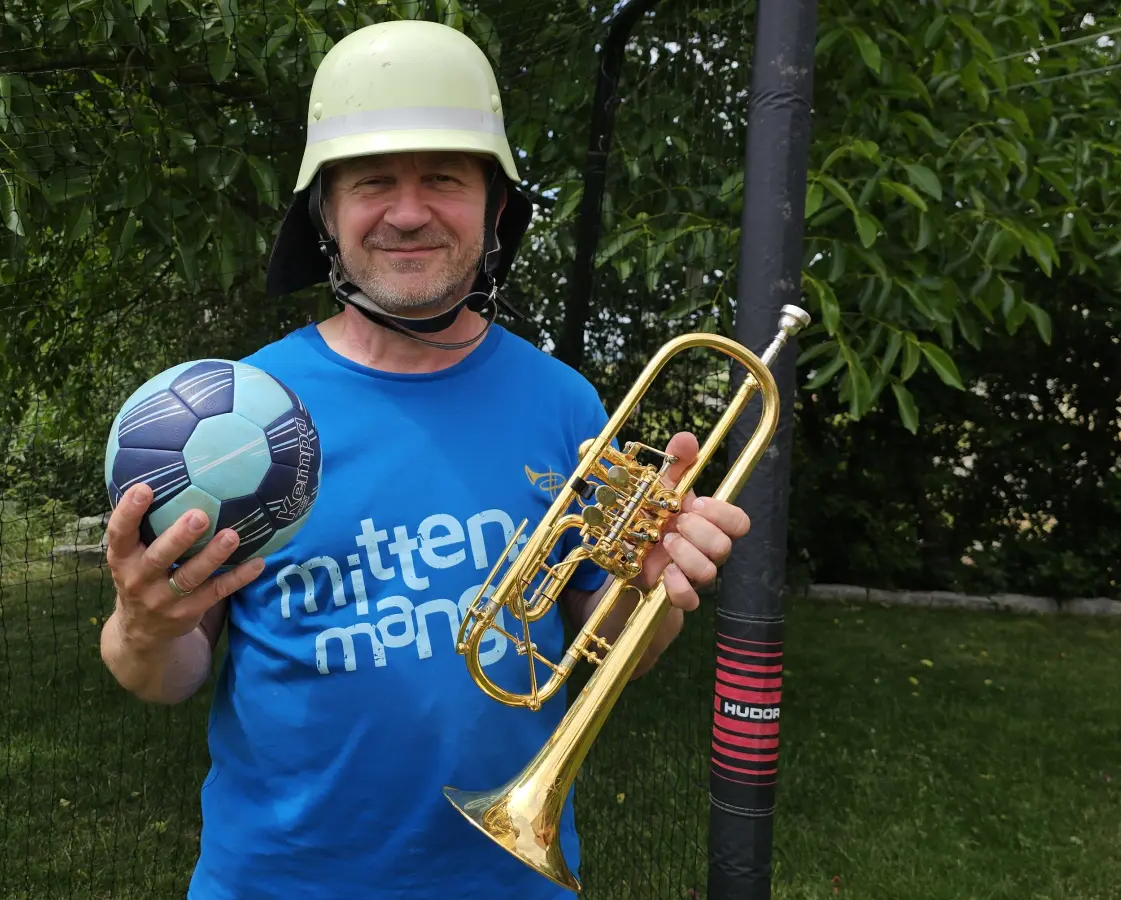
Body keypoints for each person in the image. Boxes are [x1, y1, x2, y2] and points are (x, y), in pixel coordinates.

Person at [98, 19, 753, 900]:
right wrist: (142, 624)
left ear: (495, 205)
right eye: (372, 182)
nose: (408, 212)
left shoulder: (565, 403)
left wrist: (651, 589)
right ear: (325, 213)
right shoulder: (237, 417)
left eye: (443, 178)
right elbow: (166, 678)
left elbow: (622, 655)